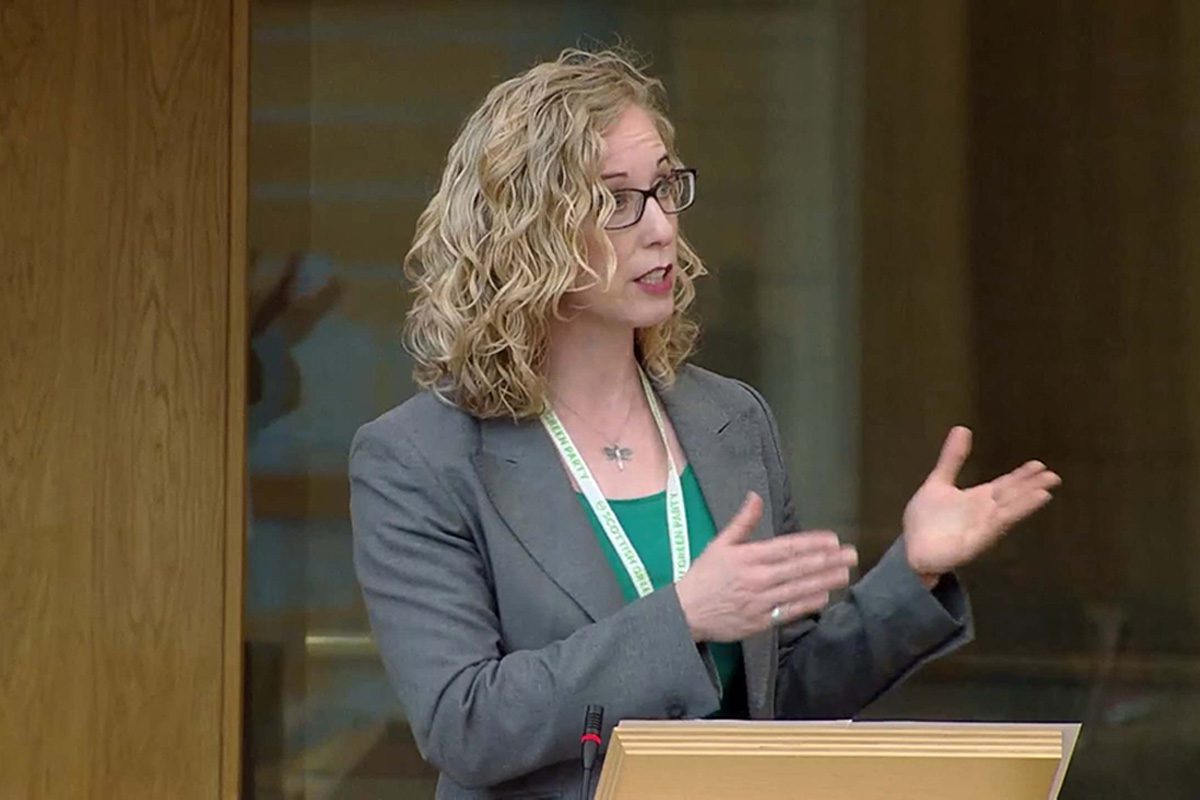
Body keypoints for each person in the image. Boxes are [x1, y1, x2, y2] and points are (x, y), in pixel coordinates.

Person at [349, 48, 1061, 799]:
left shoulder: (730, 420)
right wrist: (684, 617)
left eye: (665, 188)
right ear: (528, 230)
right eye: (617, 199)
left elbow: (781, 702)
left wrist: (912, 570)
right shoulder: (420, 458)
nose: (660, 227)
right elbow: (466, 723)